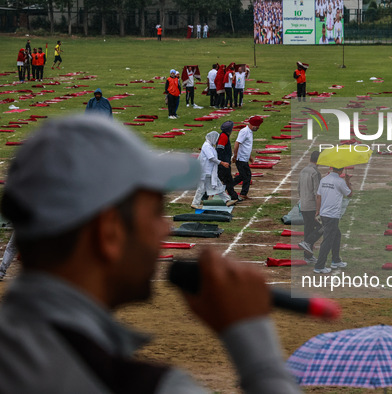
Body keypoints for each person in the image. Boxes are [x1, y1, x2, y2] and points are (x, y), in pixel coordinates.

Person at [0, 114, 301, 393]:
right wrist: (256, 349)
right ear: (109, 232)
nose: (163, 230)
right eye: (156, 212)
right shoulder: (141, 385)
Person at [313, 167, 352, 274]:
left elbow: (318, 196)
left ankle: (336, 260)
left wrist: (317, 211)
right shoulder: (340, 181)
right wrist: (347, 181)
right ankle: (319, 266)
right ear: (342, 170)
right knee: (328, 240)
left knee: (336, 235)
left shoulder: (324, 179)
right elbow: (349, 194)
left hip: (324, 213)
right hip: (332, 215)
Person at [191, 131, 237, 209]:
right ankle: (195, 203)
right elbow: (211, 158)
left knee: (217, 185)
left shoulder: (209, 145)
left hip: (209, 171)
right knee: (203, 188)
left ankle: (227, 200)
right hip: (205, 171)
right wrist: (222, 163)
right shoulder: (207, 146)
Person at [297, 151, 323, 265]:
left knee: (308, 229)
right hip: (311, 206)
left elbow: (298, 188)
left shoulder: (303, 170)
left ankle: (308, 256)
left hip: (303, 205)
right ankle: (307, 243)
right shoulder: (315, 172)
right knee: (321, 228)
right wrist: (318, 209)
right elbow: (317, 193)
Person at [232, 116, 264, 200]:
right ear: (253, 125)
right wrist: (235, 155)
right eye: (258, 126)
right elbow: (237, 143)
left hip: (245, 158)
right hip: (240, 158)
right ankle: (227, 186)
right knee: (243, 176)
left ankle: (243, 193)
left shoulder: (250, 132)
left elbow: (246, 146)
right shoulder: (244, 132)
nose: (258, 128)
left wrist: (250, 157)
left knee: (247, 175)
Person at [216, 121, 240, 202]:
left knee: (226, 181)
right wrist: (222, 162)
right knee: (226, 181)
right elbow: (219, 149)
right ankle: (234, 196)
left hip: (223, 163)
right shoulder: (224, 137)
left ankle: (234, 196)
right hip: (223, 164)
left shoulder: (223, 135)